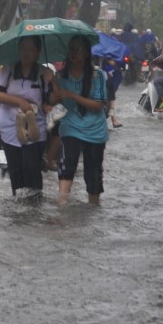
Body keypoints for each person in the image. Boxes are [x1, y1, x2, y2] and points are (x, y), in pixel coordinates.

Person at [0, 36, 53, 198]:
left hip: (35, 127)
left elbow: (50, 101)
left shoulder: (44, 73)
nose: (26, 52)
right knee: (16, 169)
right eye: (23, 48)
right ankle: (18, 207)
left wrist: (54, 82)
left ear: (38, 52)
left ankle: (35, 206)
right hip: (10, 127)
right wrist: (20, 102)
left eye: (31, 49)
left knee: (31, 168)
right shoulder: (8, 70)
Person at [53, 35, 109, 206]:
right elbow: (56, 104)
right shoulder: (60, 76)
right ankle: (62, 205)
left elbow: (98, 105)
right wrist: (53, 92)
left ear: (86, 53)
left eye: (78, 49)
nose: (74, 52)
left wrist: (72, 95)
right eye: (71, 48)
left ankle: (93, 207)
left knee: (93, 175)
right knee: (66, 166)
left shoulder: (97, 75)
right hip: (70, 127)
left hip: (95, 131)